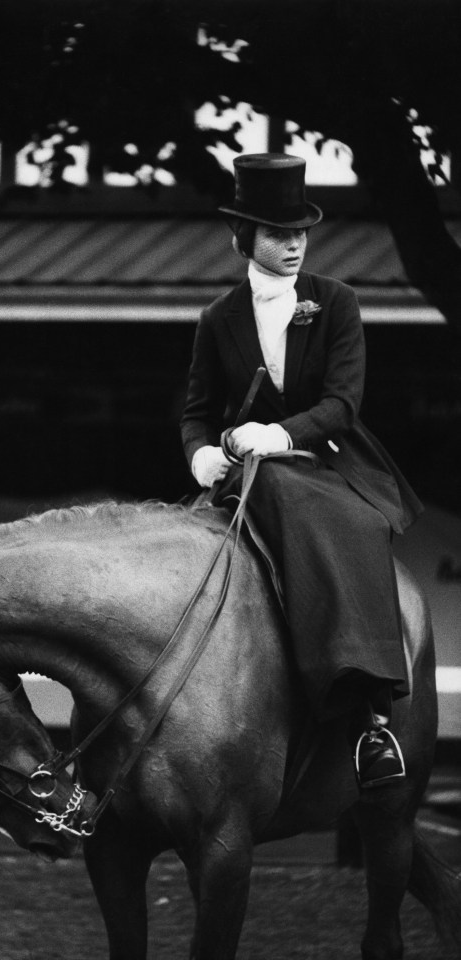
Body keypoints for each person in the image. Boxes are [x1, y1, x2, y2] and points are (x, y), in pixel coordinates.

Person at [180, 153, 423, 789]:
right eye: (277, 235)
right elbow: (196, 413)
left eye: (300, 234)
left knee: (340, 522)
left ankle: (371, 716)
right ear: (244, 240)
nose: (293, 246)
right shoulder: (216, 318)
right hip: (245, 471)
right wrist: (203, 453)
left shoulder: (335, 301)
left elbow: (343, 404)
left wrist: (280, 432)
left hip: (329, 463)